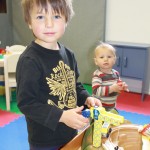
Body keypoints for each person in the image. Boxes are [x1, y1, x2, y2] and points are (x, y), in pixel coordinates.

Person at [16, 0, 102, 150]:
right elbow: (27, 103)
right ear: (29, 22)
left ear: (66, 20)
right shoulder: (29, 60)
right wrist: (61, 116)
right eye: (41, 17)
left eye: (56, 16)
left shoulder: (69, 54)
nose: (49, 24)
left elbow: (75, 85)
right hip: (45, 139)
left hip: (70, 132)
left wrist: (86, 98)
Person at [92, 42, 128, 113]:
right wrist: (112, 88)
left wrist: (122, 86)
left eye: (109, 57)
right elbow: (96, 91)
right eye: (102, 57)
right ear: (96, 61)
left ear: (114, 60)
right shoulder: (97, 75)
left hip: (112, 106)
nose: (105, 59)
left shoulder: (115, 73)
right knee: (98, 123)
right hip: (99, 107)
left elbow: (118, 85)